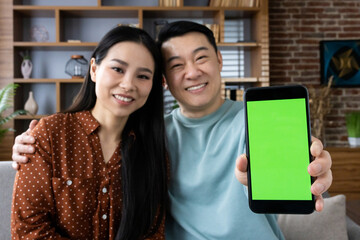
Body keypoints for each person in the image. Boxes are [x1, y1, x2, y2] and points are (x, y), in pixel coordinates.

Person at [12, 21, 333, 239]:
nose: (192, 73)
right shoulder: (153, 135)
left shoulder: (261, 121)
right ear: (164, 81)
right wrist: (30, 144)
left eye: (201, 58)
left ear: (220, 60)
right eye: (177, 65)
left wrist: (316, 174)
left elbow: (308, 187)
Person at [11, 26, 168, 240]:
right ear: (94, 69)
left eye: (142, 76)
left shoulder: (153, 148)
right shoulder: (49, 134)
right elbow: (28, 230)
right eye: (118, 69)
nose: (128, 85)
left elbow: (153, 233)